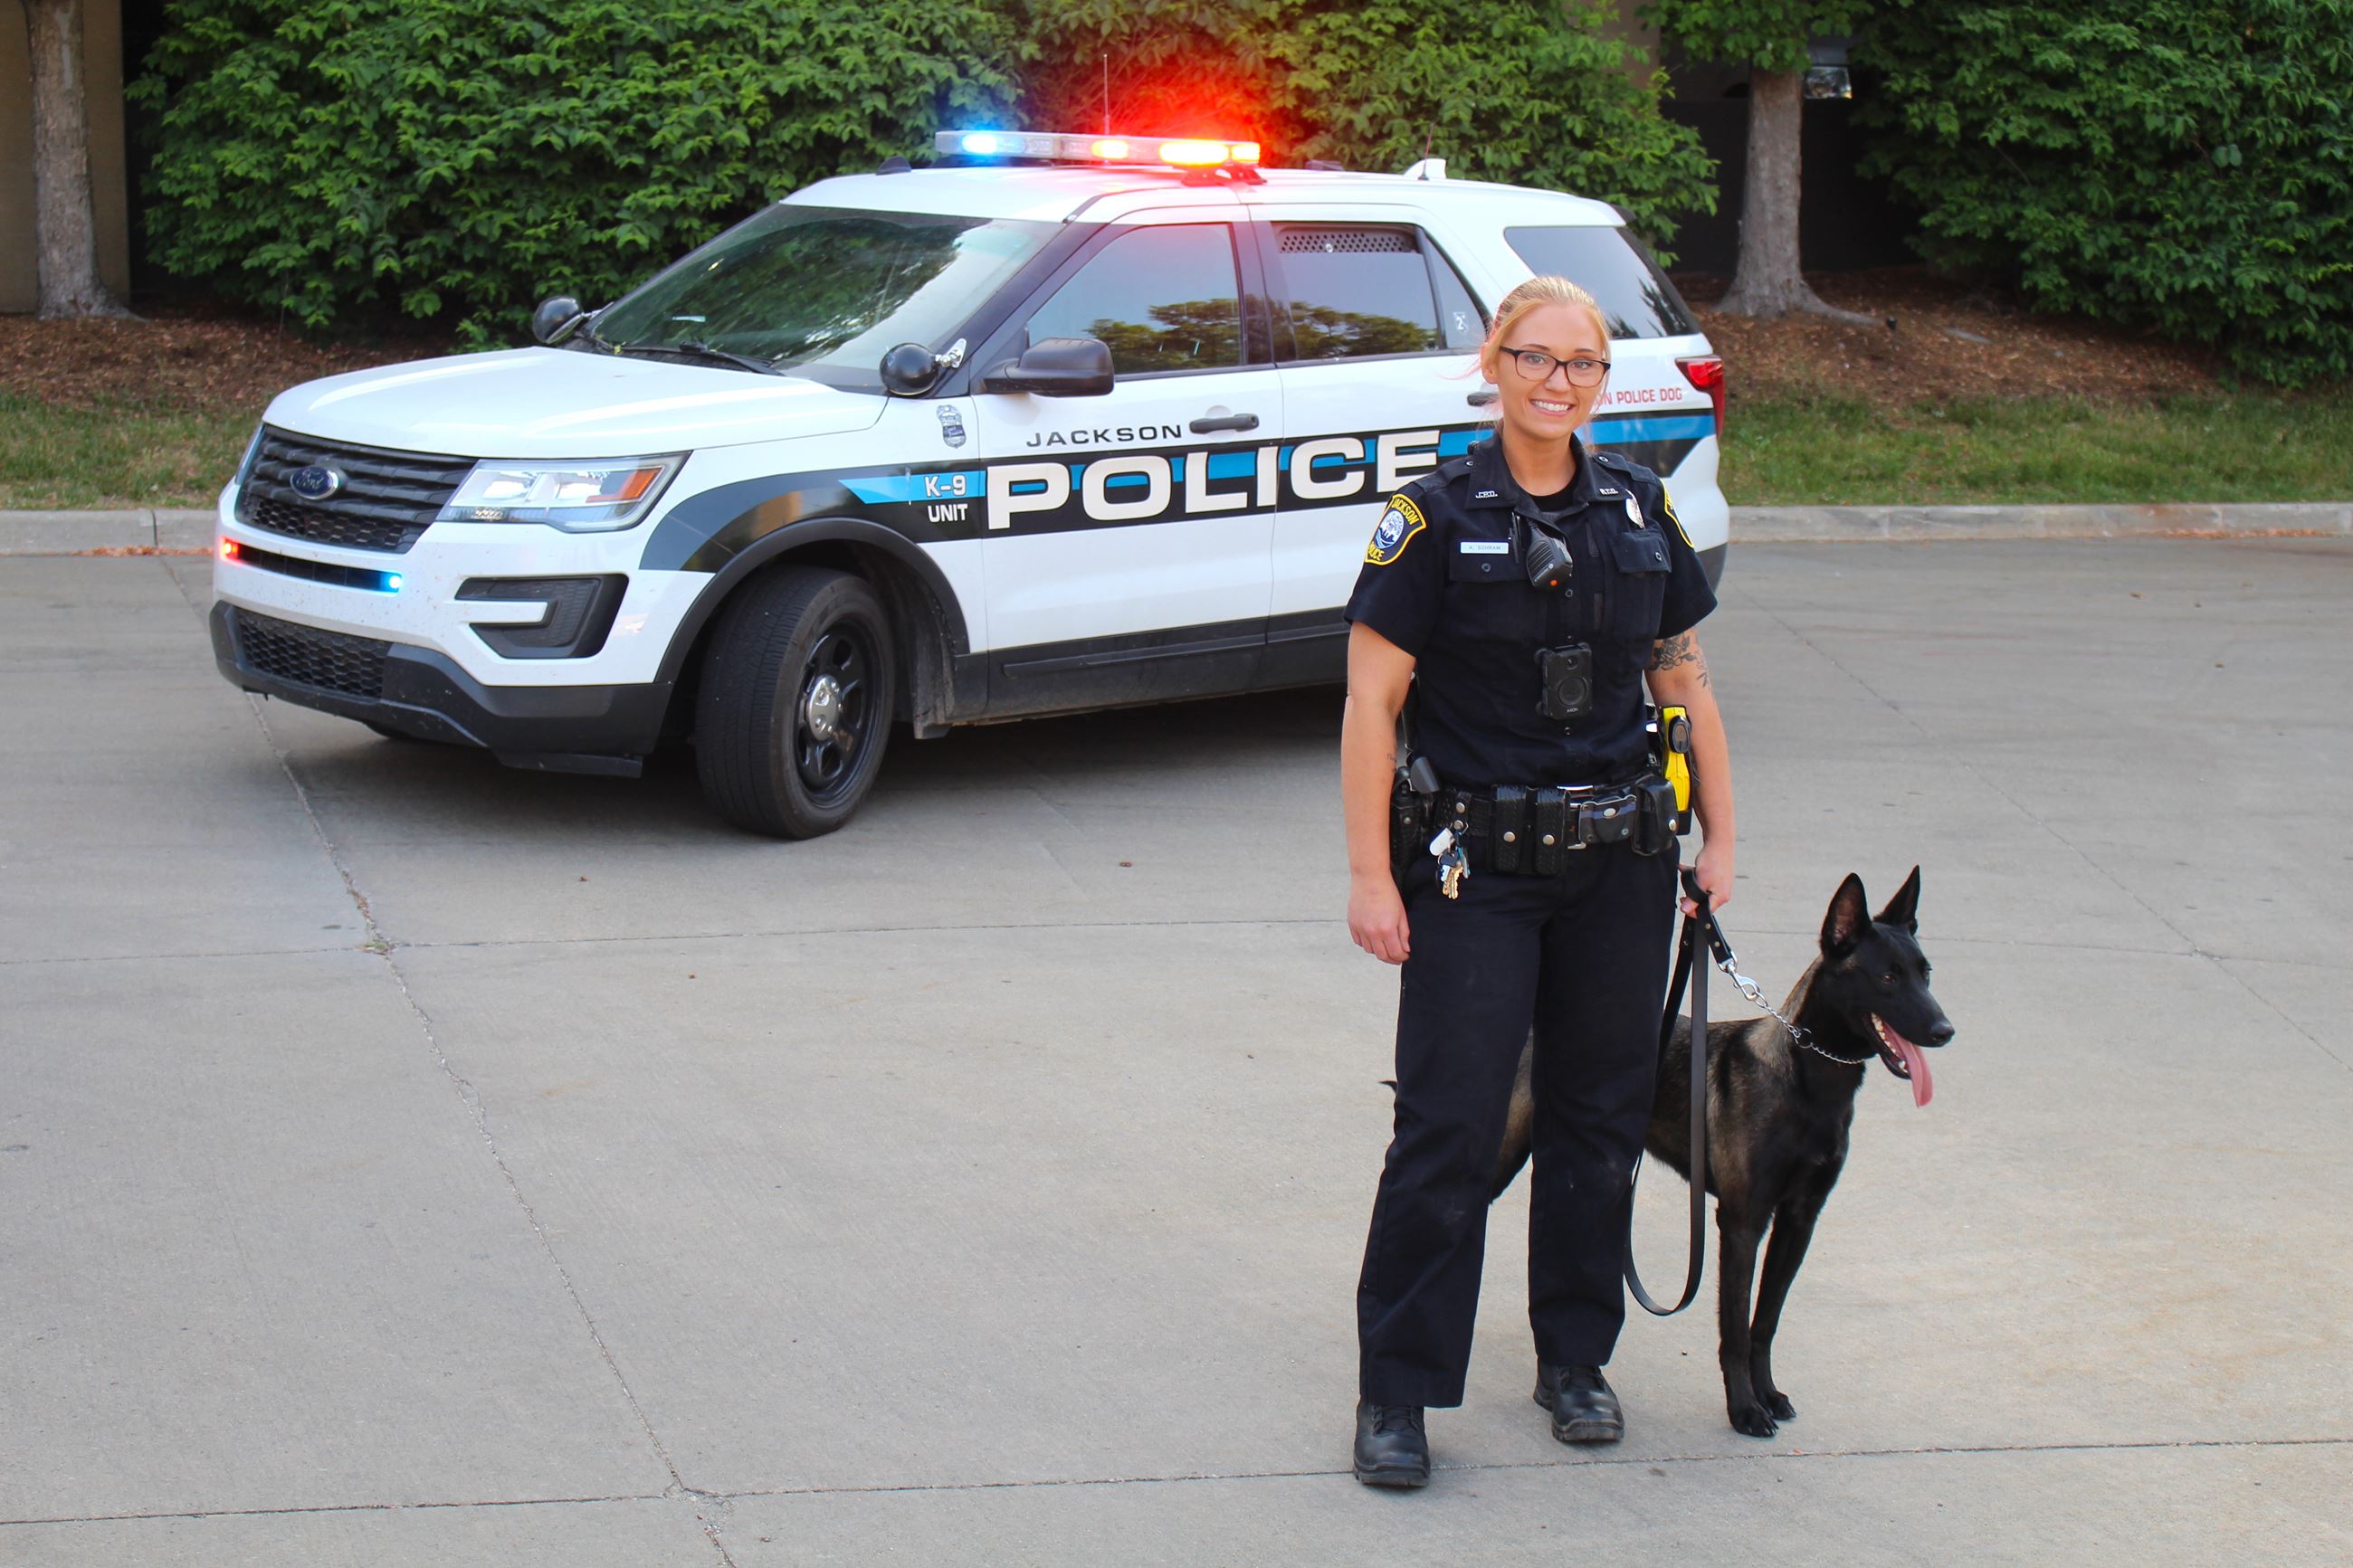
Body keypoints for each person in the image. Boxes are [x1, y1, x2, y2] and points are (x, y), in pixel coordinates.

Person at [1338, 275, 1733, 1487]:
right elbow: (1370, 703)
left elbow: (1685, 681)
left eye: (1584, 365)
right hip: (1474, 872)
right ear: (1493, 362)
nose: (1560, 384)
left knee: (1598, 1119)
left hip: (1620, 862)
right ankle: (1397, 1391)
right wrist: (1370, 875)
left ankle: (1576, 1361)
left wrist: (1720, 838)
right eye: (1538, 359)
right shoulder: (1430, 519)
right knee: (1450, 1124)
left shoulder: (1636, 509)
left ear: (1603, 382)